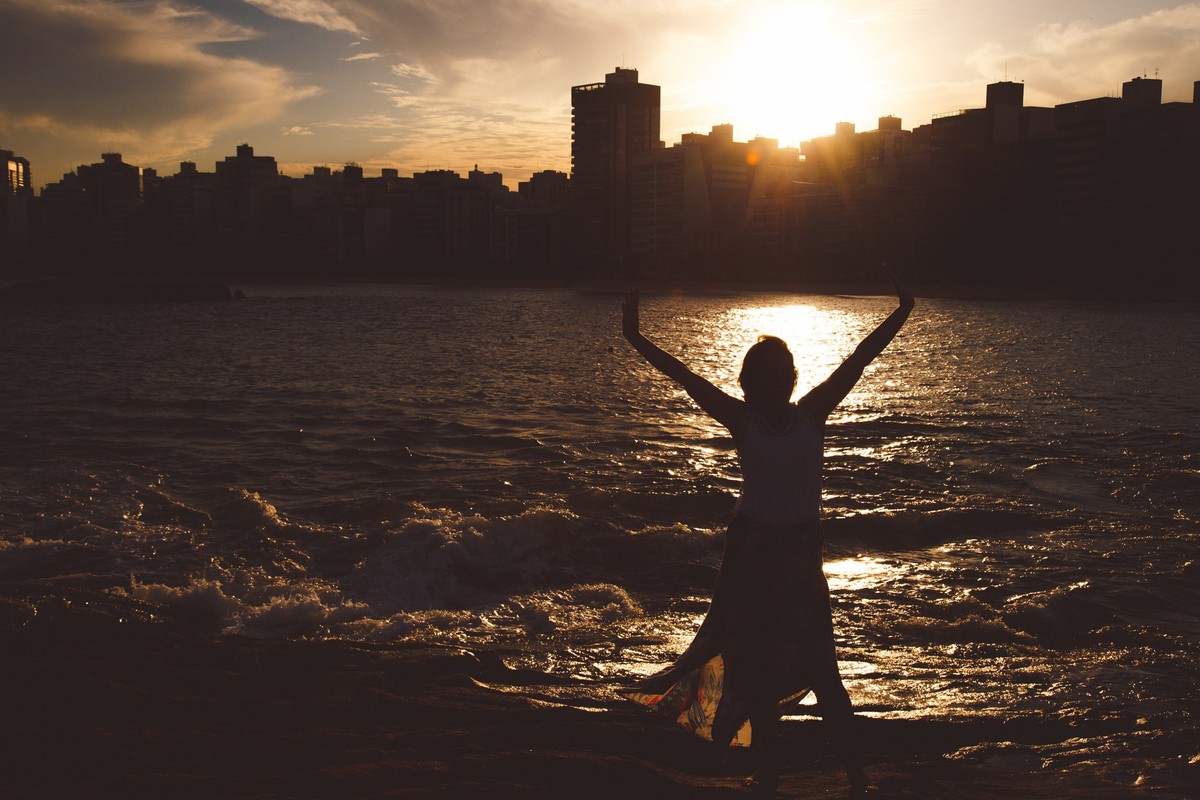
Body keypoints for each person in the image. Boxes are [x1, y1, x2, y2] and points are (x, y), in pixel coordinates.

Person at [618, 277, 914, 796]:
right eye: (767, 376)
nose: (778, 383)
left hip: (800, 567)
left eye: (785, 374)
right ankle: (769, 780)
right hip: (752, 564)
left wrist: (903, 310)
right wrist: (633, 334)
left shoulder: (813, 415)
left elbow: (860, 359)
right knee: (756, 679)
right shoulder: (742, 420)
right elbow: (684, 376)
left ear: (794, 378)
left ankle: (858, 779)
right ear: (749, 383)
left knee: (826, 677)